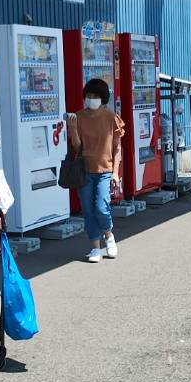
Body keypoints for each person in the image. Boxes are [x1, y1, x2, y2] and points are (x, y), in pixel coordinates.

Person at [65, 78, 124, 262]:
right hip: (84, 171)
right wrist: (73, 128)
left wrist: (115, 173)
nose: (91, 99)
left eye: (95, 96)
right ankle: (95, 248)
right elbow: (77, 147)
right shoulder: (79, 117)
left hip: (105, 170)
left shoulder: (111, 117)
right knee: (88, 210)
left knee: (101, 207)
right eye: (89, 95)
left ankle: (109, 235)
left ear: (103, 98)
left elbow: (117, 148)